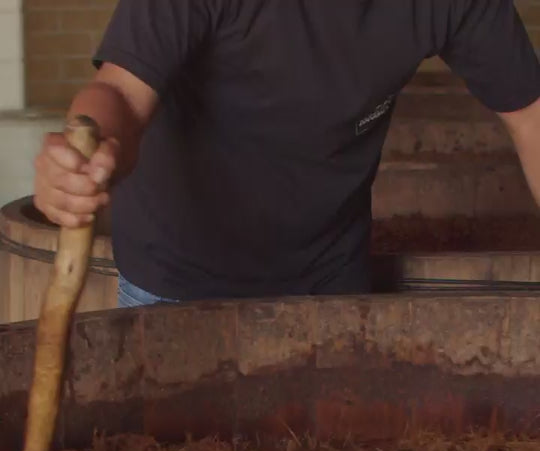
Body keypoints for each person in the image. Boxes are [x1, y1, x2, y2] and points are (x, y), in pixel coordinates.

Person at [33, 0, 540, 308]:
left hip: (331, 281)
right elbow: (120, 93)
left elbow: (531, 116)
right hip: (177, 281)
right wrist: (91, 149)